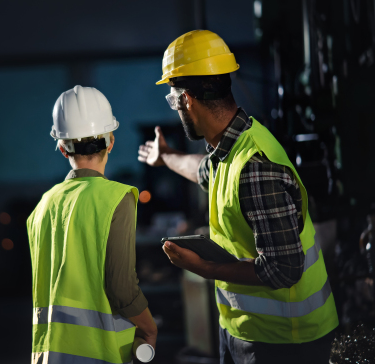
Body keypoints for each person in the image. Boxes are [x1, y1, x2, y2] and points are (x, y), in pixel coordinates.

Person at [138, 30, 338, 364]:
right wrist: (166, 156)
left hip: (285, 343)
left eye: (173, 100)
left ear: (187, 99)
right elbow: (201, 169)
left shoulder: (254, 167)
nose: (175, 108)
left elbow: (284, 270)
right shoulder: (228, 145)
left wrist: (205, 267)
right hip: (244, 329)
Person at [27, 85, 157, 364]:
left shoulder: (42, 206)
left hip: (49, 354)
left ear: (62, 148)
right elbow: (122, 290)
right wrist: (149, 327)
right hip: (99, 353)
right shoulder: (116, 199)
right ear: (111, 141)